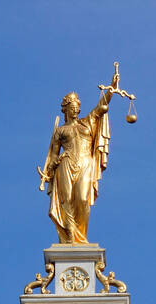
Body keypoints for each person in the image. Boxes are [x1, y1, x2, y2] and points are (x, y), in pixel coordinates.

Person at [39, 65, 119, 244]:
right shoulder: (60, 130)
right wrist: (49, 169)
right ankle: (69, 238)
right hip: (66, 163)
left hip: (85, 162)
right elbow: (52, 155)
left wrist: (111, 89)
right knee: (66, 200)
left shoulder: (87, 123)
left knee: (82, 199)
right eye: (72, 107)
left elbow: (101, 107)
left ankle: (80, 238)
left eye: (77, 107)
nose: (76, 110)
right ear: (65, 109)